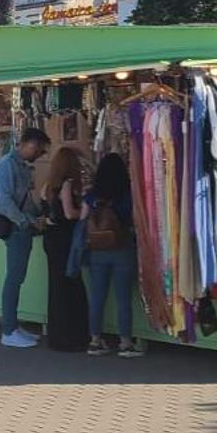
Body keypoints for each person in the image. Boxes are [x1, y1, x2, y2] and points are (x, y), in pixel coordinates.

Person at [0, 127, 49, 347]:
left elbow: (24, 199)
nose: (40, 155)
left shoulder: (19, 166)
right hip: (15, 228)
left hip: (21, 226)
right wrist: (26, 221)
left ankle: (13, 326)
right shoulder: (7, 165)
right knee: (14, 278)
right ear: (29, 145)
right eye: (40, 150)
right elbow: (4, 201)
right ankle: (8, 330)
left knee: (17, 278)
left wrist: (37, 215)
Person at [82, 151, 142, 357]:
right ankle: (125, 343)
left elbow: (82, 218)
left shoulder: (91, 195)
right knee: (123, 298)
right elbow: (135, 219)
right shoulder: (127, 194)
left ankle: (95, 341)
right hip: (122, 247)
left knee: (97, 298)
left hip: (97, 249)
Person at [40, 144, 92, 352]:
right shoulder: (68, 184)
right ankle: (74, 336)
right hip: (65, 238)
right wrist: (86, 211)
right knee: (72, 286)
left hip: (51, 238)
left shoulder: (47, 186)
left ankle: (58, 336)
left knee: (56, 287)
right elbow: (70, 213)